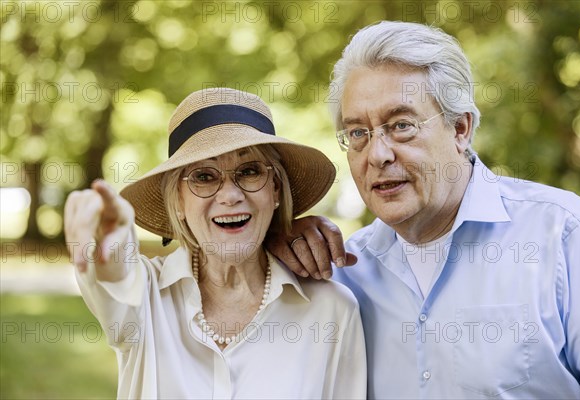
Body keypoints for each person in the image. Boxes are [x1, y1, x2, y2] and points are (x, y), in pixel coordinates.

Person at [268, 21, 580, 399]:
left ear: (460, 128)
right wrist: (270, 243)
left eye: (401, 125)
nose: (378, 155)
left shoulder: (566, 235)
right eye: (358, 133)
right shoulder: (341, 279)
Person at [64, 88, 367, 399]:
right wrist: (109, 236)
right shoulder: (145, 298)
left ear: (275, 189)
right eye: (204, 177)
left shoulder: (332, 310)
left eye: (249, 172)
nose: (230, 195)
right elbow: (112, 275)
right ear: (178, 202)